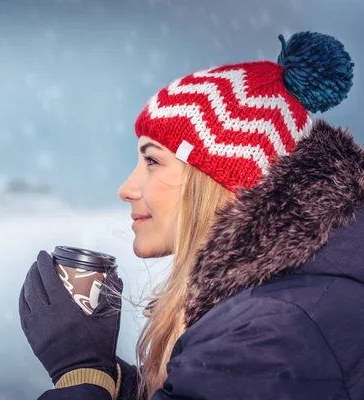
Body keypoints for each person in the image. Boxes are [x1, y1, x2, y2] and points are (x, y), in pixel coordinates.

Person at [19, 30, 363, 400]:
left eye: (152, 161)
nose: (126, 189)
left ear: (222, 180)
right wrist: (112, 379)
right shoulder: (288, 304)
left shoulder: (270, 333)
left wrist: (77, 370)